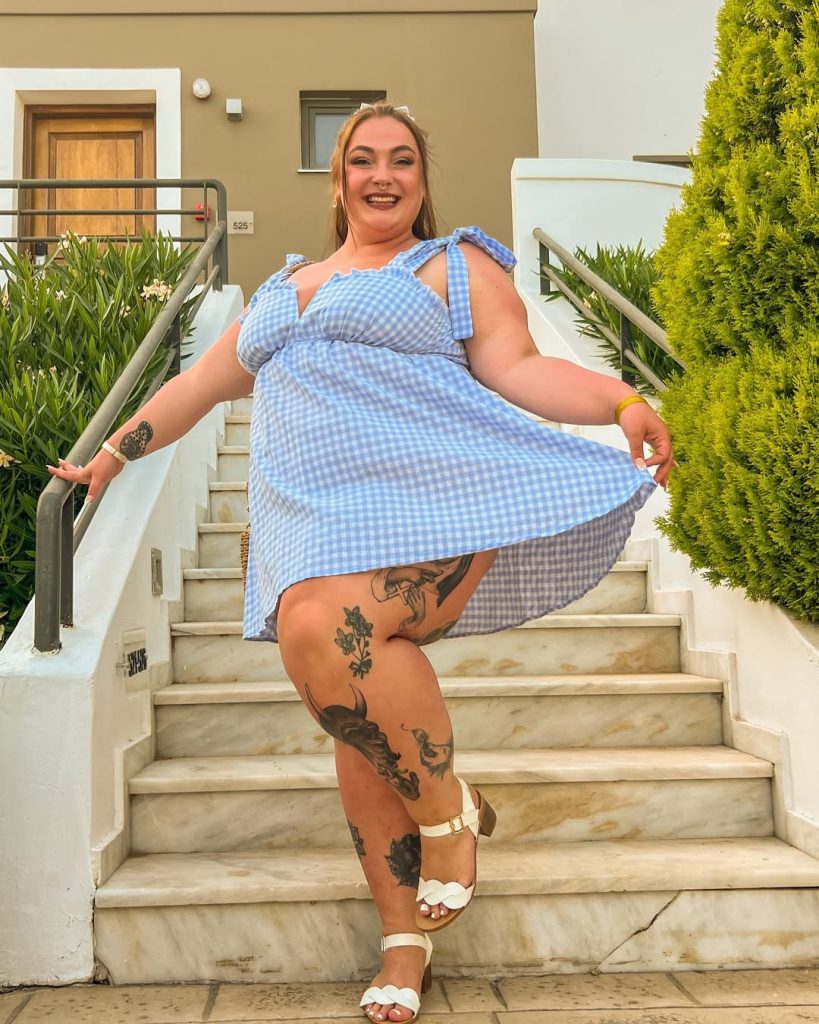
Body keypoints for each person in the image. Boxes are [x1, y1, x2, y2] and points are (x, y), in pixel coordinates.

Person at [49, 102, 674, 1023]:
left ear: (421, 179)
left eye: (402, 160)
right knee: (354, 719)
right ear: (338, 181)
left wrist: (620, 400)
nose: (383, 175)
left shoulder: (451, 265)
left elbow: (519, 368)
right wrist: (112, 454)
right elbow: (196, 386)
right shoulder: (281, 290)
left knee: (327, 633)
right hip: (309, 523)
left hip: (427, 505)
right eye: (363, 160)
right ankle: (403, 939)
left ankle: (448, 814)